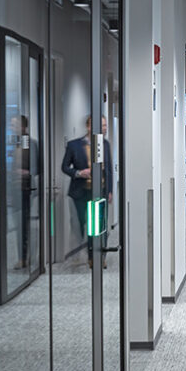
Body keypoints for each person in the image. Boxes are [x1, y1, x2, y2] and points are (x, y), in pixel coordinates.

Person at [61, 115, 113, 269]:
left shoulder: (105, 144)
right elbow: (65, 167)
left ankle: (97, 258)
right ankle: (88, 254)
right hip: (80, 192)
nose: (105, 128)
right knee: (86, 225)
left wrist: (109, 190)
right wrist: (79, 173)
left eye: (105, 125)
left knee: (99, 225)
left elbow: (109, 170)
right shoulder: (74, 145)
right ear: (89, 127)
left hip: (99, 191)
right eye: (102, 125)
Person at [11, 115, 38, 270]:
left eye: (14, 125)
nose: (12, 127)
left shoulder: (31, 144)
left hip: (26, 189)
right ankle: (21, 257)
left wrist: (26, 172)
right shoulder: (17, 144)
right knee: (18, 225)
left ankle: (24, 257)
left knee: (23, 225)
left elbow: (36, 168)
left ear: (23, 127)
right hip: (15, 189)